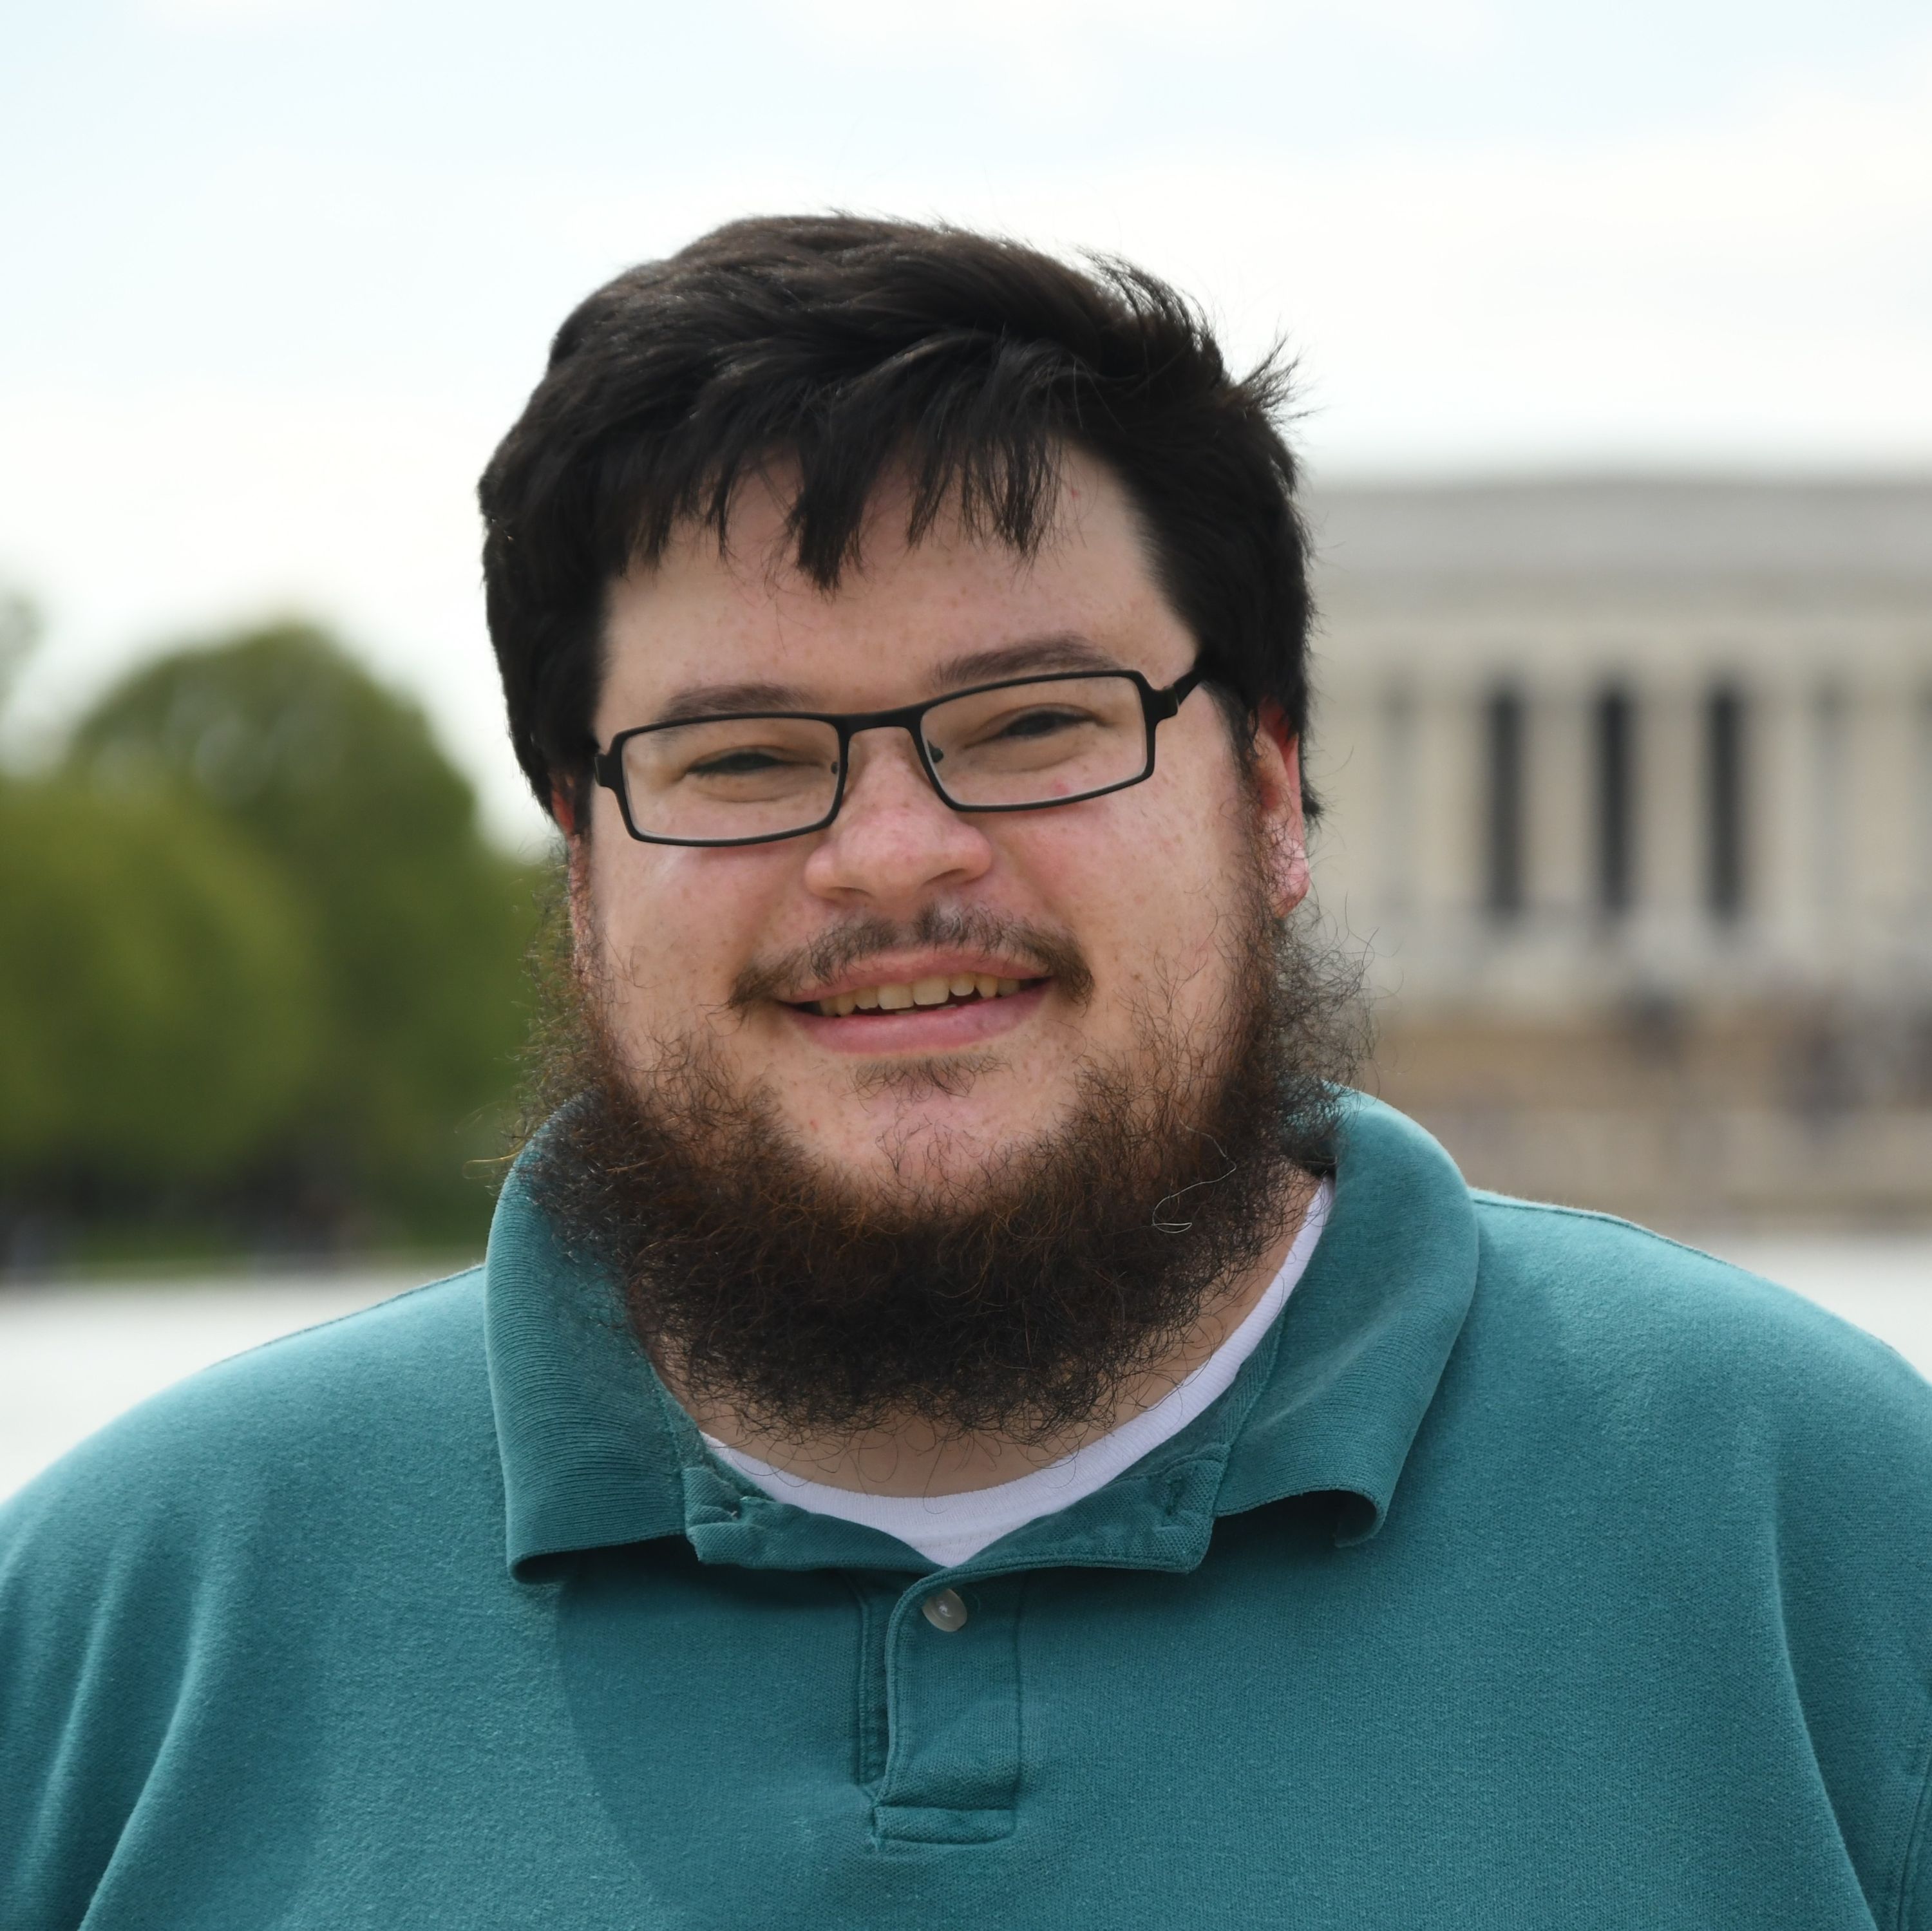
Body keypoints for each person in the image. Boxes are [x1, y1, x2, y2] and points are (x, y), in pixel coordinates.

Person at [3, 217, 1930, 1931]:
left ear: (1267, 795)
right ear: (583, 867)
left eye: (1034, 726)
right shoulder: (112, 1630)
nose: (894, 855)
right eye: (744, 757)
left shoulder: (1847, 1543)